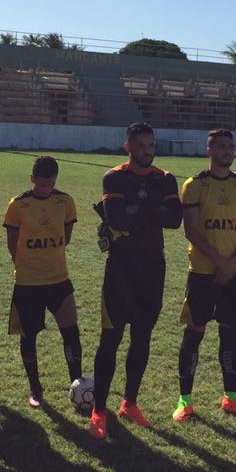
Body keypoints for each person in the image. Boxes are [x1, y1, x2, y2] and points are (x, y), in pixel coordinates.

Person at [88, 122, 182, 440]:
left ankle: (130, 402)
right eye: (141, 145)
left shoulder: (165, 178)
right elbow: (116, 219)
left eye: (151, 145)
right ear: (128, 146)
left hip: (152, 269)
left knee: (141, 338)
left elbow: (175, 220)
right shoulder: (114, 176)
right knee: (110, 340)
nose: (148, 150)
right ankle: (99, 409)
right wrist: (153, 209)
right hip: (120, 269)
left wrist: (136, 210)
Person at [173, 129, 236, 423]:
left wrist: (231, 263)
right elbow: (192, 231)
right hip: (202, 272)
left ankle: (231, 398)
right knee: (194, 332)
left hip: (234, 272)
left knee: (230, 333)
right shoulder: (194, 185)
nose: (226, 151)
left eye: (230, 147)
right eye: (220, 147)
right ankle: (185, 400)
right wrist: (220, 263)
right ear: (208, 150)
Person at [3, 156, 82, 409]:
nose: (46, 189)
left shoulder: (65, 202)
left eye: (50, 184)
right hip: (28, 282)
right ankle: (35, 389)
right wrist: (26, 265)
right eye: (41, 185)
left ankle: (77, 384)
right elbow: (12, 242)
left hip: (59, 279)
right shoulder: (18, 205)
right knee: (29, 337)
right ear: (32, 179)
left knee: (71, 332)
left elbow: (66, 235)